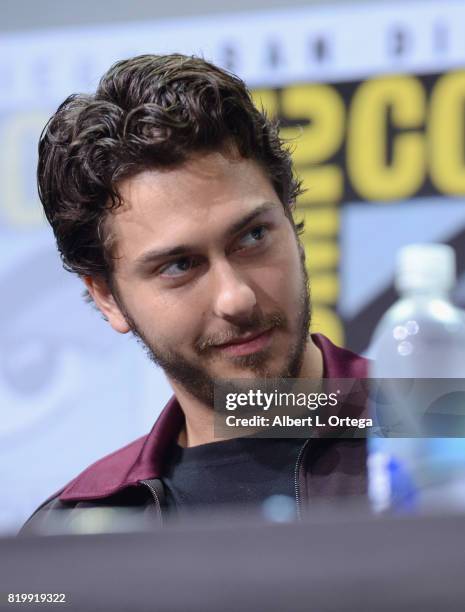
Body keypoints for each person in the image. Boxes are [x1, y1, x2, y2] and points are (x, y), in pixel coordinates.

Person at [22, 54, 368, 533]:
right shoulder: (75, 532)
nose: (236, 298)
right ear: (107, 298)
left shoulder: (439, 437)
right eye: (180, 266)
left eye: (252, 237)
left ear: (290, 219)